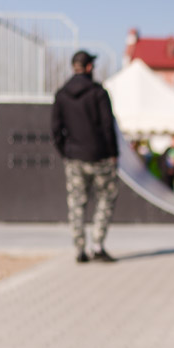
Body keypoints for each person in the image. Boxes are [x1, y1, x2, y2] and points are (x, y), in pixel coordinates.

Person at [51, 50, 120, 263]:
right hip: (100, 157)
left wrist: (66, 152)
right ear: (89, 67)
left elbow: (55, 130)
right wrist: (113, 153)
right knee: (106, 198)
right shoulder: (98, 93)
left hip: (74, 158)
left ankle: (79, 249)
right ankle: (97, 245)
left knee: (76, 203)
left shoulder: (61, 95)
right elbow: (108, 126)